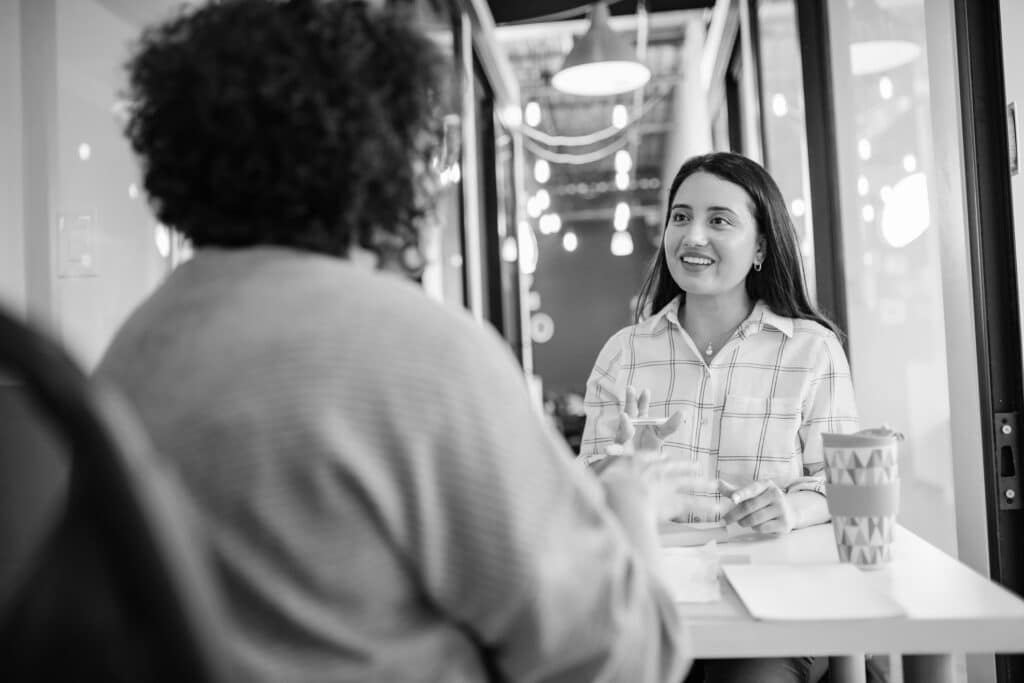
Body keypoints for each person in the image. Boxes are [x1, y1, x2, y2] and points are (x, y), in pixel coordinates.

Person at [94, 1, 695, 681]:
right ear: (378, 151)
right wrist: (631, 501)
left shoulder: (136, 346)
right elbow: (623, 657)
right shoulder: (415, 351)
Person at [579, 152, 859, 683]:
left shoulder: (812, 351)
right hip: (655, 604)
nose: (693, 236)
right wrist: (627, 472)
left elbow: (842, 483)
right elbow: (585, 491)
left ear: (760, 246)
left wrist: (790, 509)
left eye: (719, 220)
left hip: (776, 608)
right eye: (680, 217)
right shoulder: (625, 353)